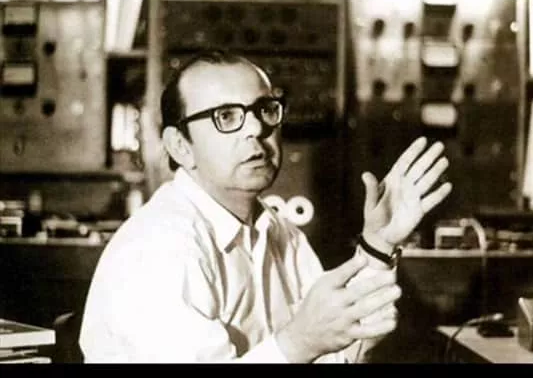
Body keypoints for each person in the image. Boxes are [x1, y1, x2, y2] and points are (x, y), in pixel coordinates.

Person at [79, 49, 452, 363]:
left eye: (265, 109)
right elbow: (306, 344)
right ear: (180, 146)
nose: (255, 129)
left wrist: (379, 245)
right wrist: (297, 343)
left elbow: (336, 353)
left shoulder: (275, 231)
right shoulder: (156, 250)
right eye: (226, 117)